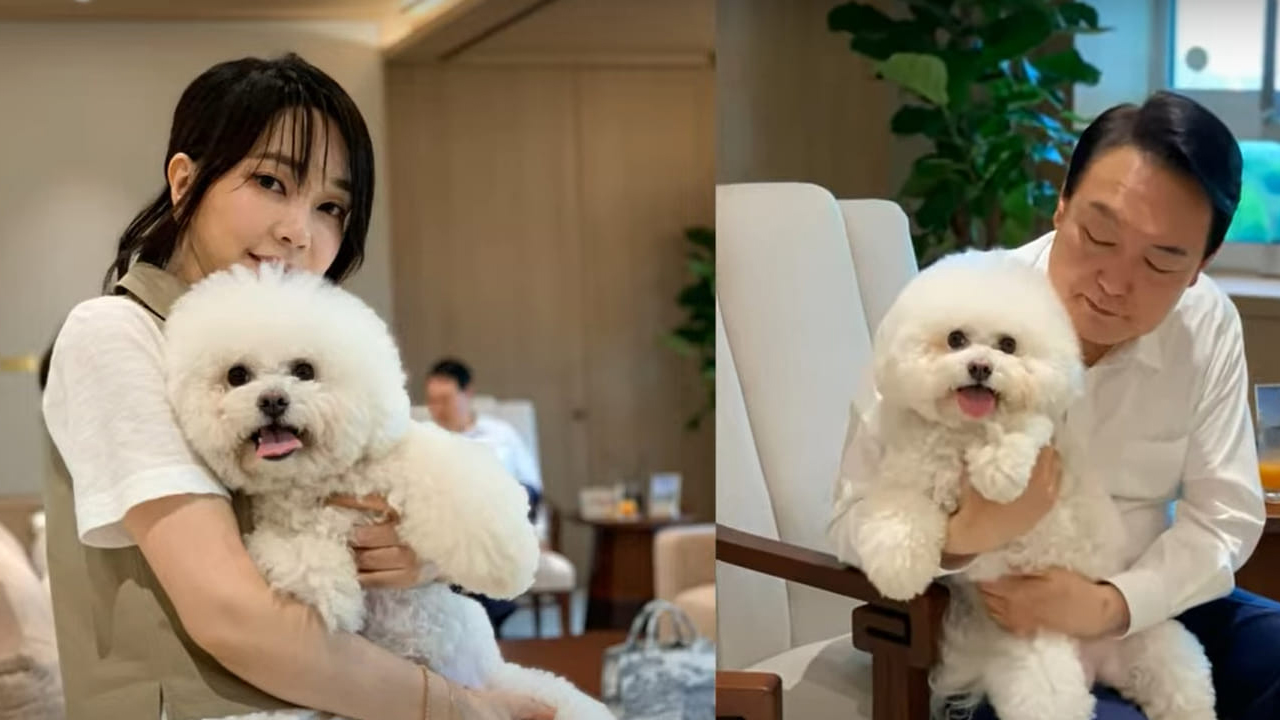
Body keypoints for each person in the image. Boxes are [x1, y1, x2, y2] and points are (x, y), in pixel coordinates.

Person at [40, 53, 554, 720]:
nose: (299, 231)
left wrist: (416, 555)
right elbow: (231, 615)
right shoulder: (116, 332)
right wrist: (460, 710)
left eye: (331, 206)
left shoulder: (314, 349)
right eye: (270, 182)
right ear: (184, 181)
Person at [829, 90, 1279, 720]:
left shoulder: (1205, 326)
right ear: (1062, 204)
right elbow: (852, 517)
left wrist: (1111, 604)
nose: (1114, 282)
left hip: (1145, 604)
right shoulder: (955, 313)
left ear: (1201, 264)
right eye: (1098, 236)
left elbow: (1226, 516)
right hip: (995, 631)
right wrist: (963, 538)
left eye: (1160, 262)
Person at [423, 358, 543, 634]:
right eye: (431, 401)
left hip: (501, 521)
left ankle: (477, 625)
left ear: (468, 393)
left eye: (445, 400)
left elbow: (533, 489)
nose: (437, 409)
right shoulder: (424, 440)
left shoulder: (502, 435)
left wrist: (540, 533)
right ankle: (487, 618)